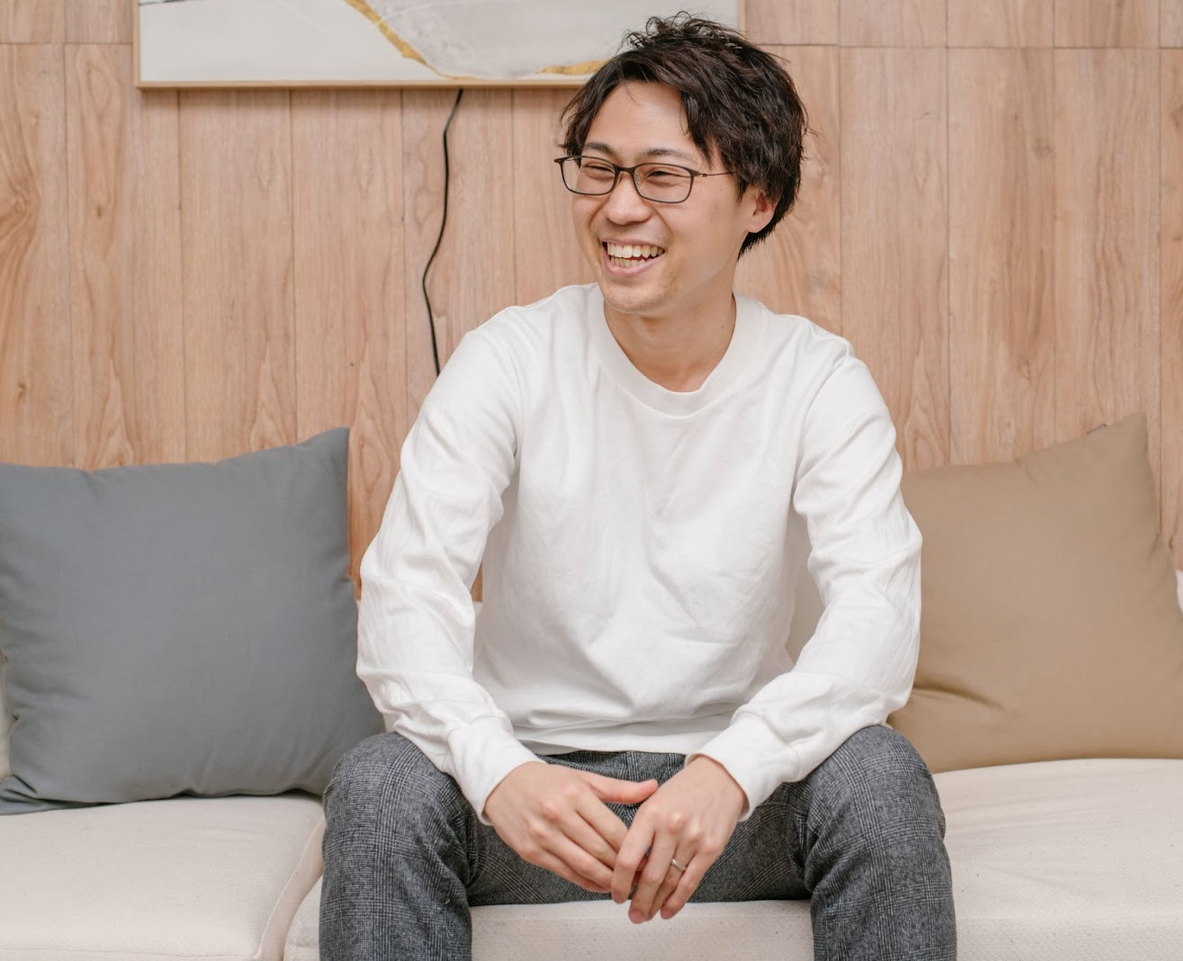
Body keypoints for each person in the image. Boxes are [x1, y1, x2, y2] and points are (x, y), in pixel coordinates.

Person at [319, 14, 955, 961]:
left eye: (663, 176)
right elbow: (407, 591)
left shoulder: (818, 380)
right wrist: (499, 771)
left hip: (734, 796)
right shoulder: (510, 358)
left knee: (881, 778)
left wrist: (731, 769)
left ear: (757, 199)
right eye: (599, 169)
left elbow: (877, 619)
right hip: (534, 793)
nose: (619, 208)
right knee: (381, 786)